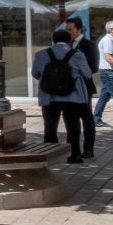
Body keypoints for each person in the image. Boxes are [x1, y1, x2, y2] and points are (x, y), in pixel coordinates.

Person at [33, 28, 92, 164]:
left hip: (49, 96)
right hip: (73, 96)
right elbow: (88, 75)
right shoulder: (77, 55)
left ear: (53, 40)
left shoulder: (41, 54)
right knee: (73, 126)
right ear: (69, 40)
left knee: (50, 126)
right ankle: (74, 155)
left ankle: (49, 155)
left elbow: (35, 74)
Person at [65, 17, 99, 159]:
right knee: (70, 118)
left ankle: (88, 148)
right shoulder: (66, 44)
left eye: (70, 29)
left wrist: (77, 74)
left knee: (86, 118)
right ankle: (73, 147)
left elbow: (93, 67)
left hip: (84, 87)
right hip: (67, 88)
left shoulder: (89, 45)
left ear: (79, 30)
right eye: (66, 30)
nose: (68, 32)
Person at [94, 20, 113, 128]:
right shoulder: (108, 41)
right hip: (108, 73)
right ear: (111, 30)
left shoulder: (110, 40)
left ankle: (96, 119)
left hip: (107, 72)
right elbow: (108, 57)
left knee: (104, 97)